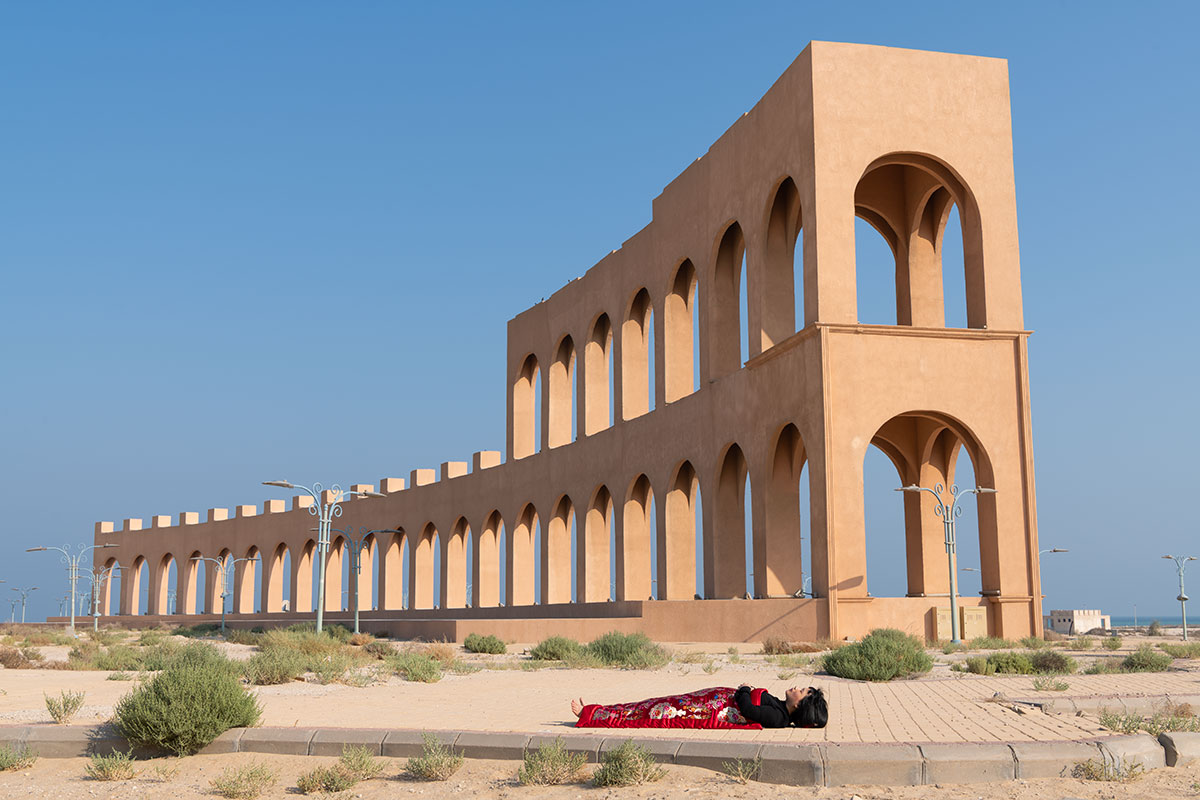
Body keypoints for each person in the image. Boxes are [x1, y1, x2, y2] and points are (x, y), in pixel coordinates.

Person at [570, 684, 827, 729]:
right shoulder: (780, 708)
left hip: (696, 710)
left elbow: (747, 710)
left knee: (649, 712)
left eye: (802, 692)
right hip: (700, 702)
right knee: (649, 705)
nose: (796, 688)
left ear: (800, 706)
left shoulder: (777, 717)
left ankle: (591, 714)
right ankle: (596, 710)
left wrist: (745, 689)